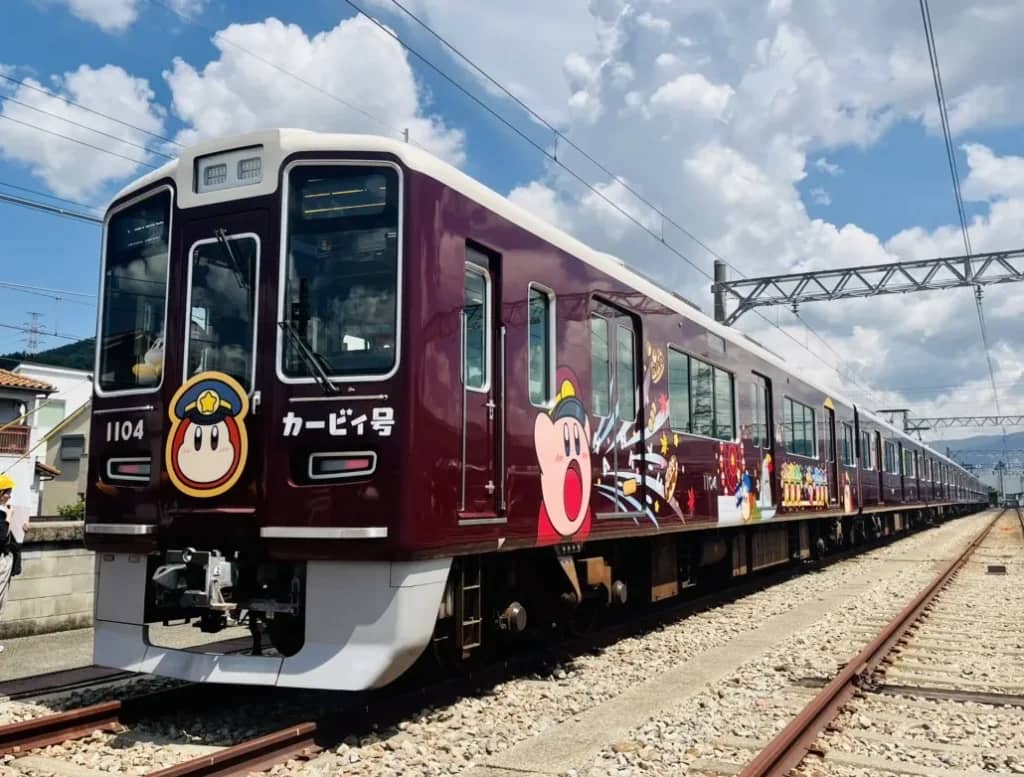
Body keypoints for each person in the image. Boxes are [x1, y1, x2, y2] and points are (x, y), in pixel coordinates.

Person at [0, 474, 21, 654]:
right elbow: (1, 539)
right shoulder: (2, 514)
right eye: (8, 492)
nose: (10, 496)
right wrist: (8, 518)